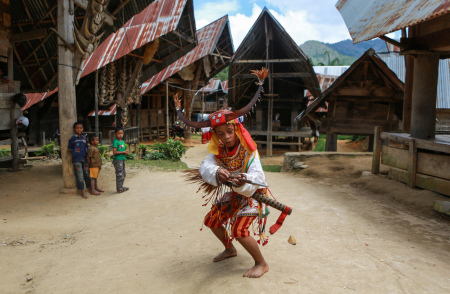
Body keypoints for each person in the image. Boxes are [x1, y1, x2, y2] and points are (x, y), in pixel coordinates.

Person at [198, 112, 270, 278]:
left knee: (239, 230)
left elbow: (258, 177)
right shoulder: (219, 150)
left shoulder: (249, 149)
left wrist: (244, 179)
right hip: (236, 194)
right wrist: (216, 171)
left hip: (254, 195)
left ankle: (262, 263)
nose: (227, 137)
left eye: (230, 131)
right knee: (212, 220)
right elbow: (205, 166)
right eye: (221, 133)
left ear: (237, 129)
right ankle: (230, 249)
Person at [68, 122, 92, 199]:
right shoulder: (73, 139)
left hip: (84, 159)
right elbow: (69, 149)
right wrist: (75, 152)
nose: (79, 129)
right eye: (77, 128)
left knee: (87, 174)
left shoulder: (84, 138)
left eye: (80, 128)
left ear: (83, 129)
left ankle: (90, 188)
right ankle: (82, 191)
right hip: (77, 160)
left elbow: (87, 147)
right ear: (74, 129)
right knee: (80, 176)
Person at [112, 127, 129, 193]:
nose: (120, 135)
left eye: (121, 133)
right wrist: (123, 152)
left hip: (122, 159)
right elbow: (114, 152)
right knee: (119, 174)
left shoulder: (122, 141)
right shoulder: (115, 142)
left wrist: (126, 152)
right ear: (115, 134)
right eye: (119, 133)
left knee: (123, 174)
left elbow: (122, 150)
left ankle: (121, 187)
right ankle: (119, 188)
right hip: (118, 160)